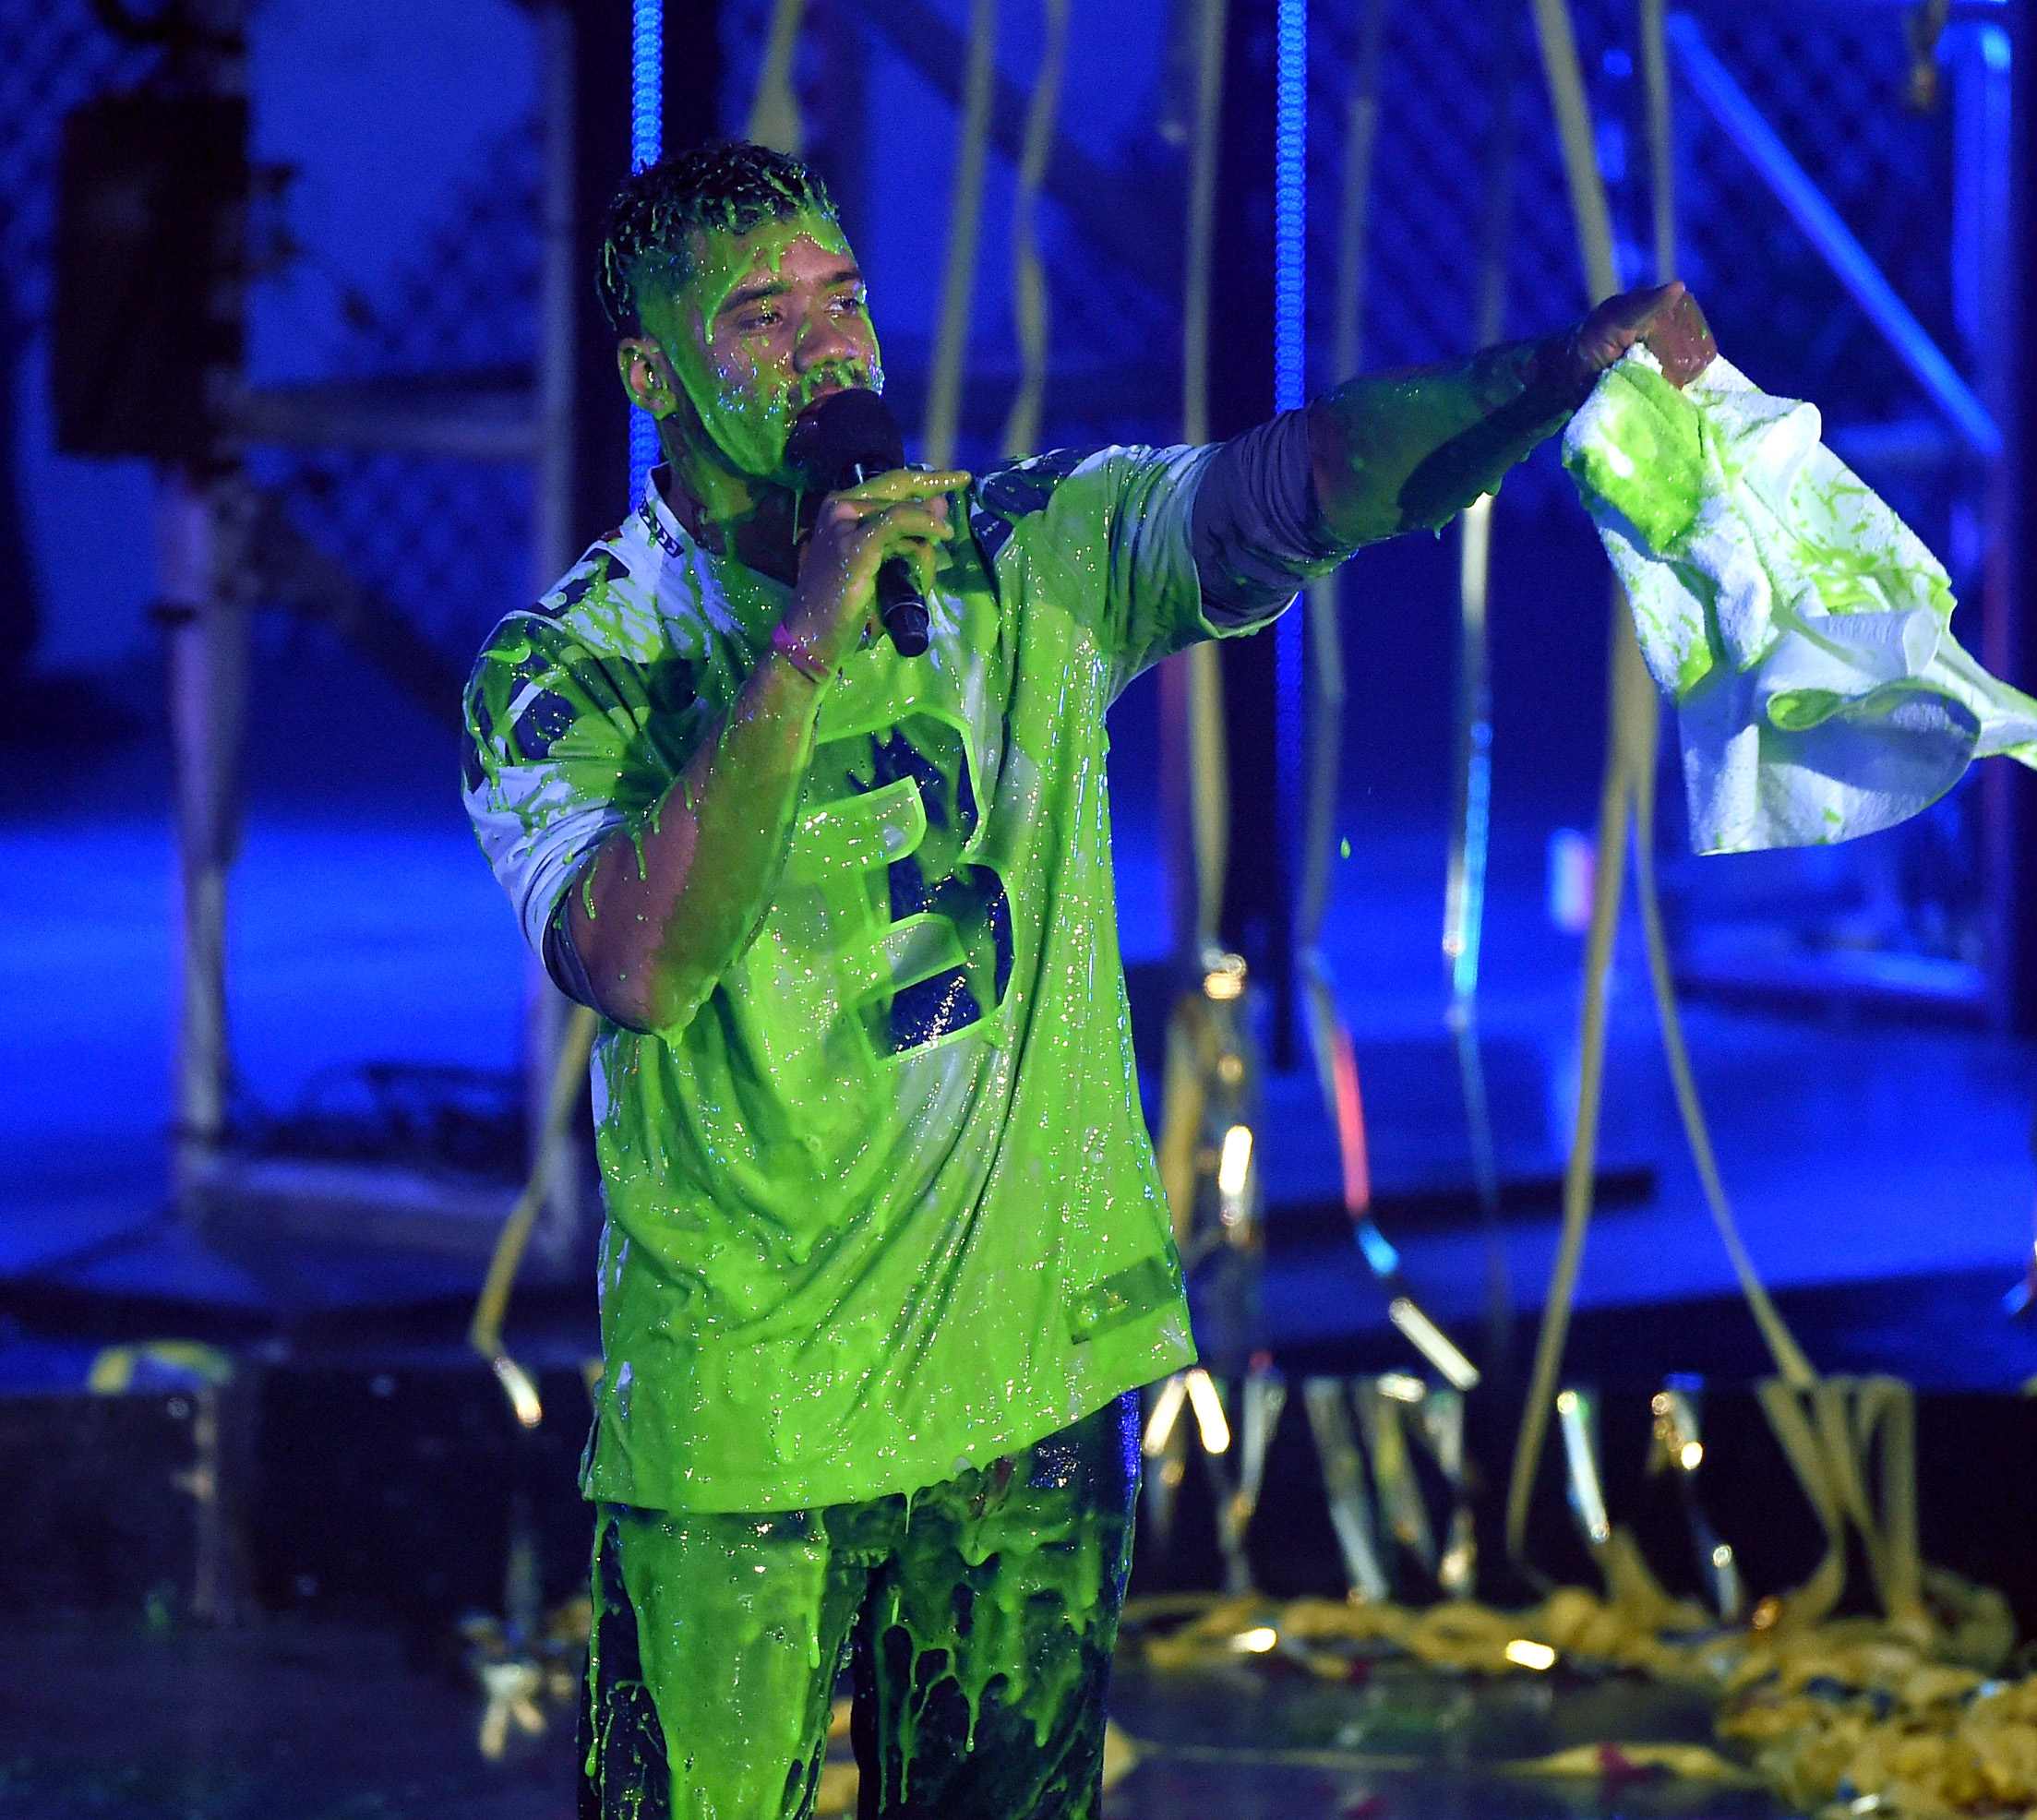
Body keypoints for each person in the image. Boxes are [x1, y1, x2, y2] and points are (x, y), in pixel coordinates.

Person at [462, 139, 1712, 1820]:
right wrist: (808, 641)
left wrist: (1552, 377)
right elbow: (638, 965)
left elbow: (1309, 478)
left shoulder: (1022, 549)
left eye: (842, 298)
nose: (828, 348)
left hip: (1027, 1395)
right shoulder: (570, 660)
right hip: (746, 1429)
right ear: (650, 372)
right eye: (758, 318)